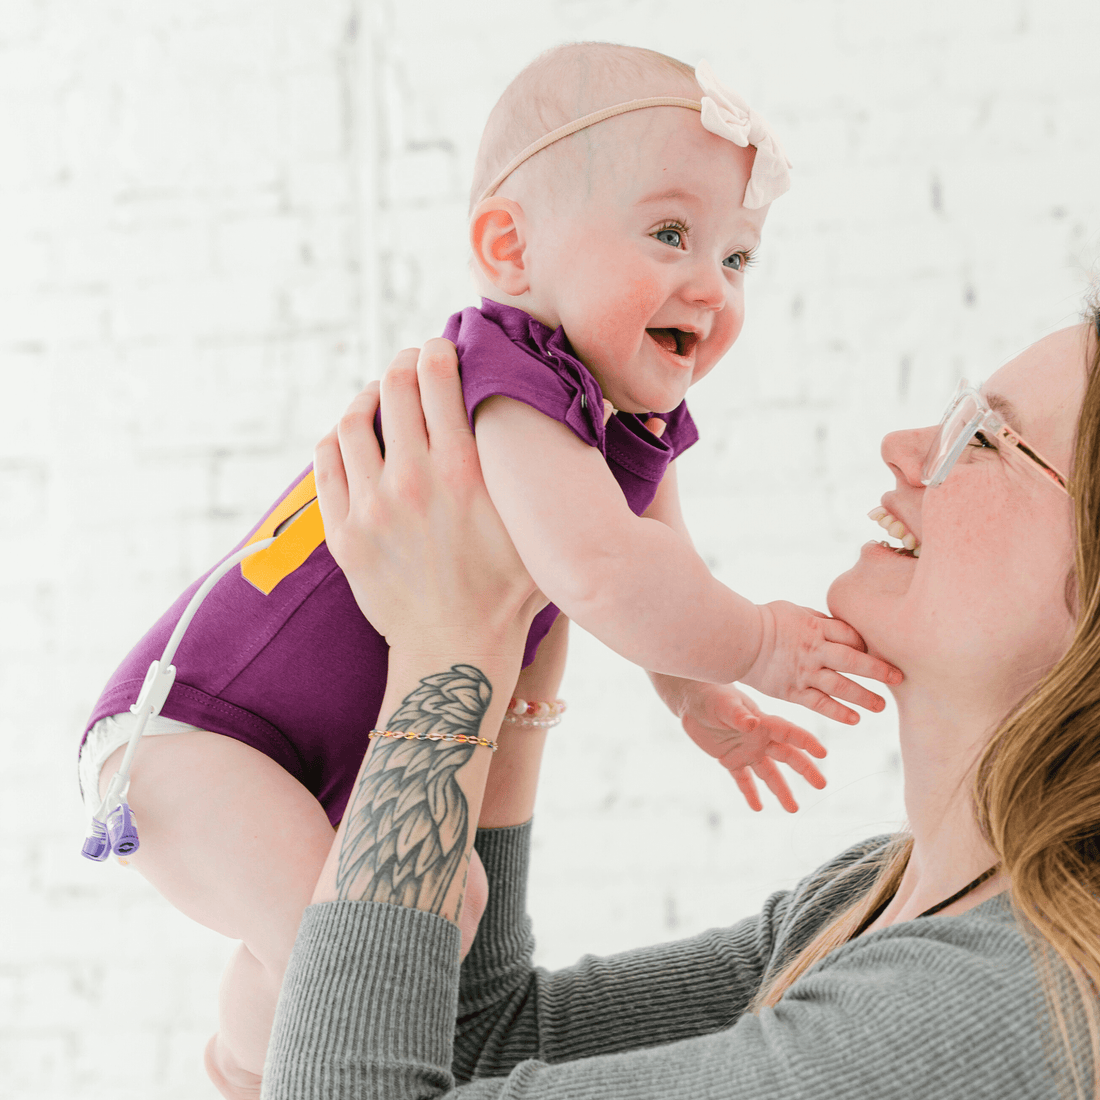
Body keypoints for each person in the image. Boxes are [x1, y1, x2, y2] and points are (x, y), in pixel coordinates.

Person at [76, 44, 902, 1098]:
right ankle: (250, 1071)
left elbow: (657, 567)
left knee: (425, 915)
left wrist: (701, 699)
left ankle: (246, 1064)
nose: (709, 283)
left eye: (738, 256)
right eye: (668, 234)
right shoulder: (506, 381)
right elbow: (600, 573)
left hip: (288, 746)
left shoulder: (621, 419)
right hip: (195, 734)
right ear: (510, 248)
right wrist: (760, 642)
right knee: (394, 925)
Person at [262, 310, 1100, 1100]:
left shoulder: (993, 1009)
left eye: (986, 437)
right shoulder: (868, 897)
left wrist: (444, 654)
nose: (904, 448)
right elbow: (480, 1039)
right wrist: (519, 624)